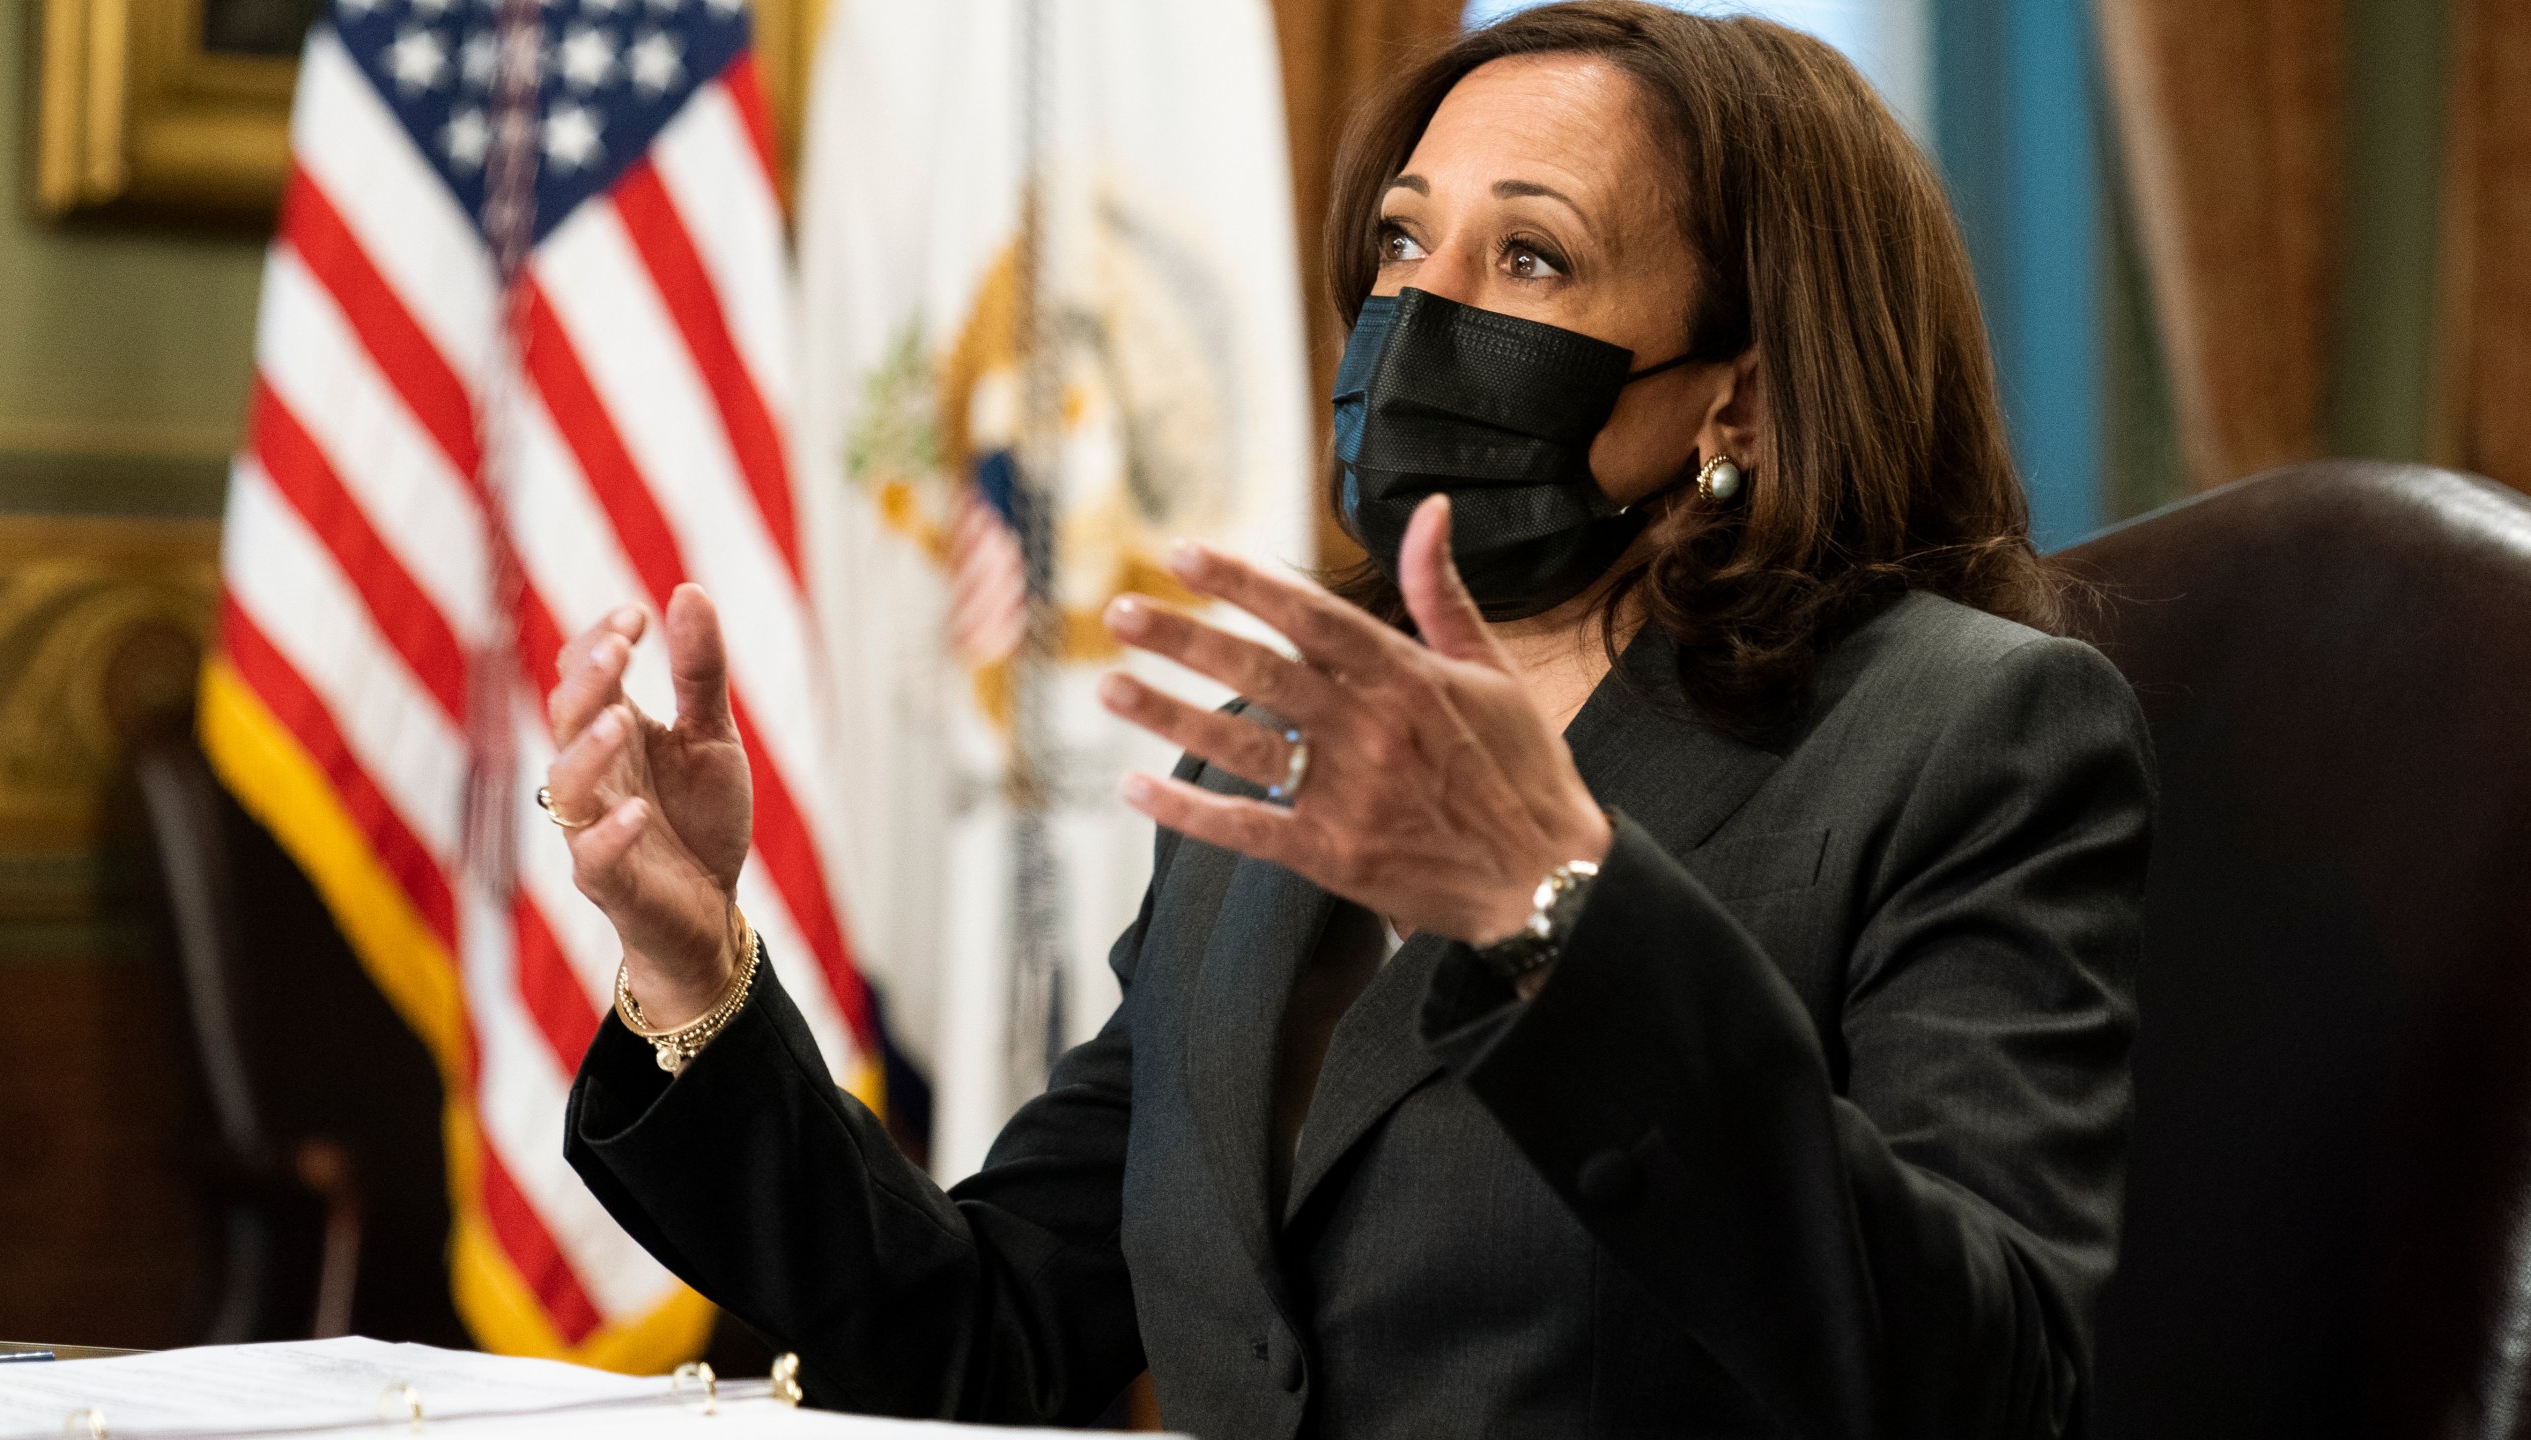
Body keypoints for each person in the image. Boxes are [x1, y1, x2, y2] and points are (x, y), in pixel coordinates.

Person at [540, 4, 2152, 1436]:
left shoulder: (1968, 732)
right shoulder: (1293, 728)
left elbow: (1986, 1383)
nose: (1416, 313)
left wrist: (1558, 919)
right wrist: (696, 980)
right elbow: (999, 1327)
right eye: (1398, 244)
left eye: (1530, 258)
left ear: (1734, 391)